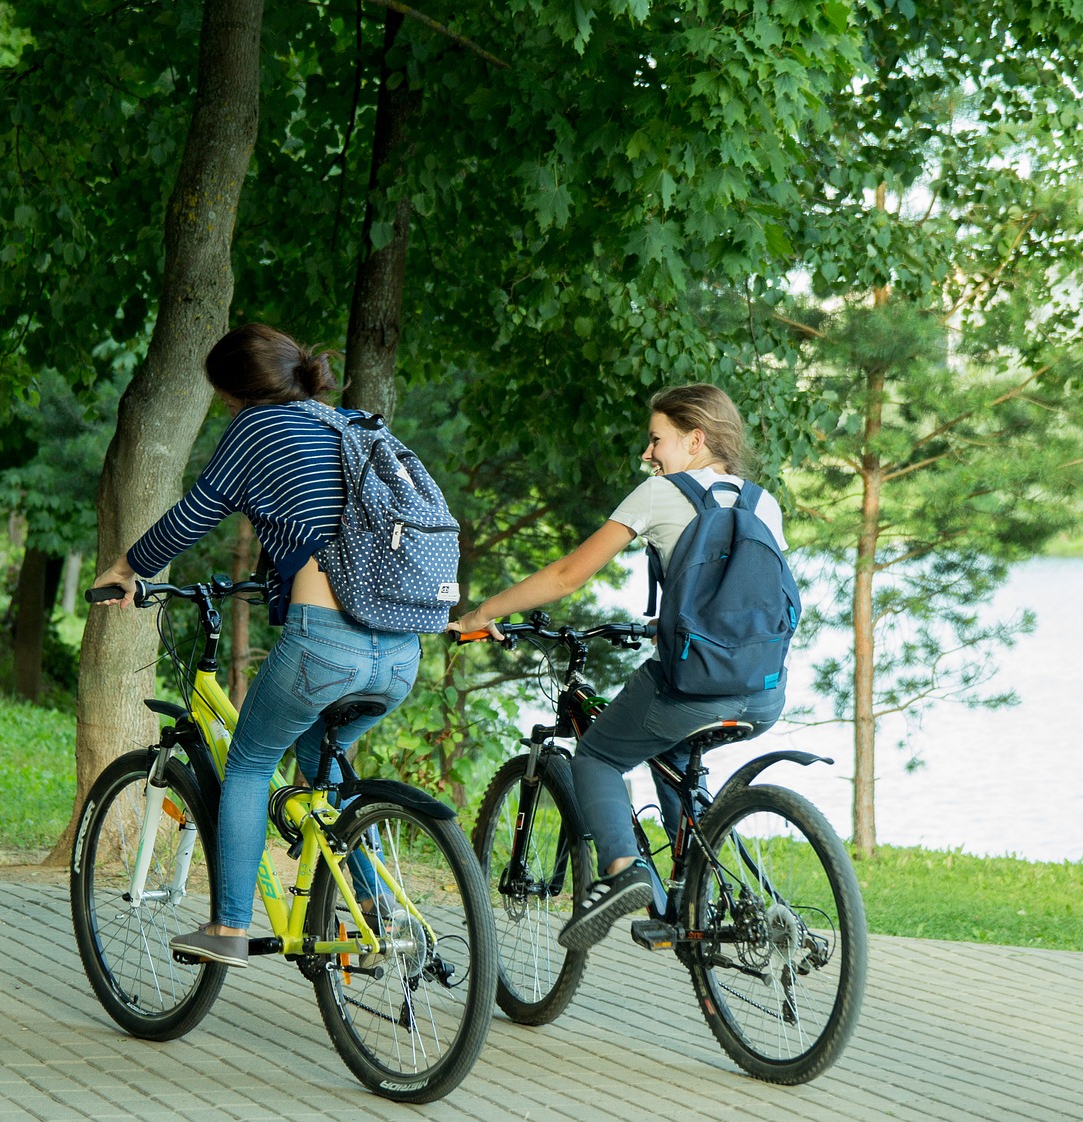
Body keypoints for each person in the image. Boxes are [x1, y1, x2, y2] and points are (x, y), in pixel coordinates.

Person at [90, 323, 420, 968]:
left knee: (246, 765)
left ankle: (229, 928)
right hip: (402, 647)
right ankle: (373, 909)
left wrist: (127, 568)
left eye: (222, 395)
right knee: (323, 765)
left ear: (237, 389)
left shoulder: (258, 428)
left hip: (325, 644)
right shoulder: (349, 425)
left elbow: (195, 513)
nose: (223, 407)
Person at [449, 383, 789, 952]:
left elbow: (566, 576)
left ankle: (624, 870)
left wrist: (481, 613)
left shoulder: (658, 495)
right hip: (763, 692)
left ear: (695, 439)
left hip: (690, 690)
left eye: (657, 439)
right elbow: (744, 604)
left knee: (600, 754)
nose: (649, 453)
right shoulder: (764, 503)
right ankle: (688, 906)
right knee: (672, 755)